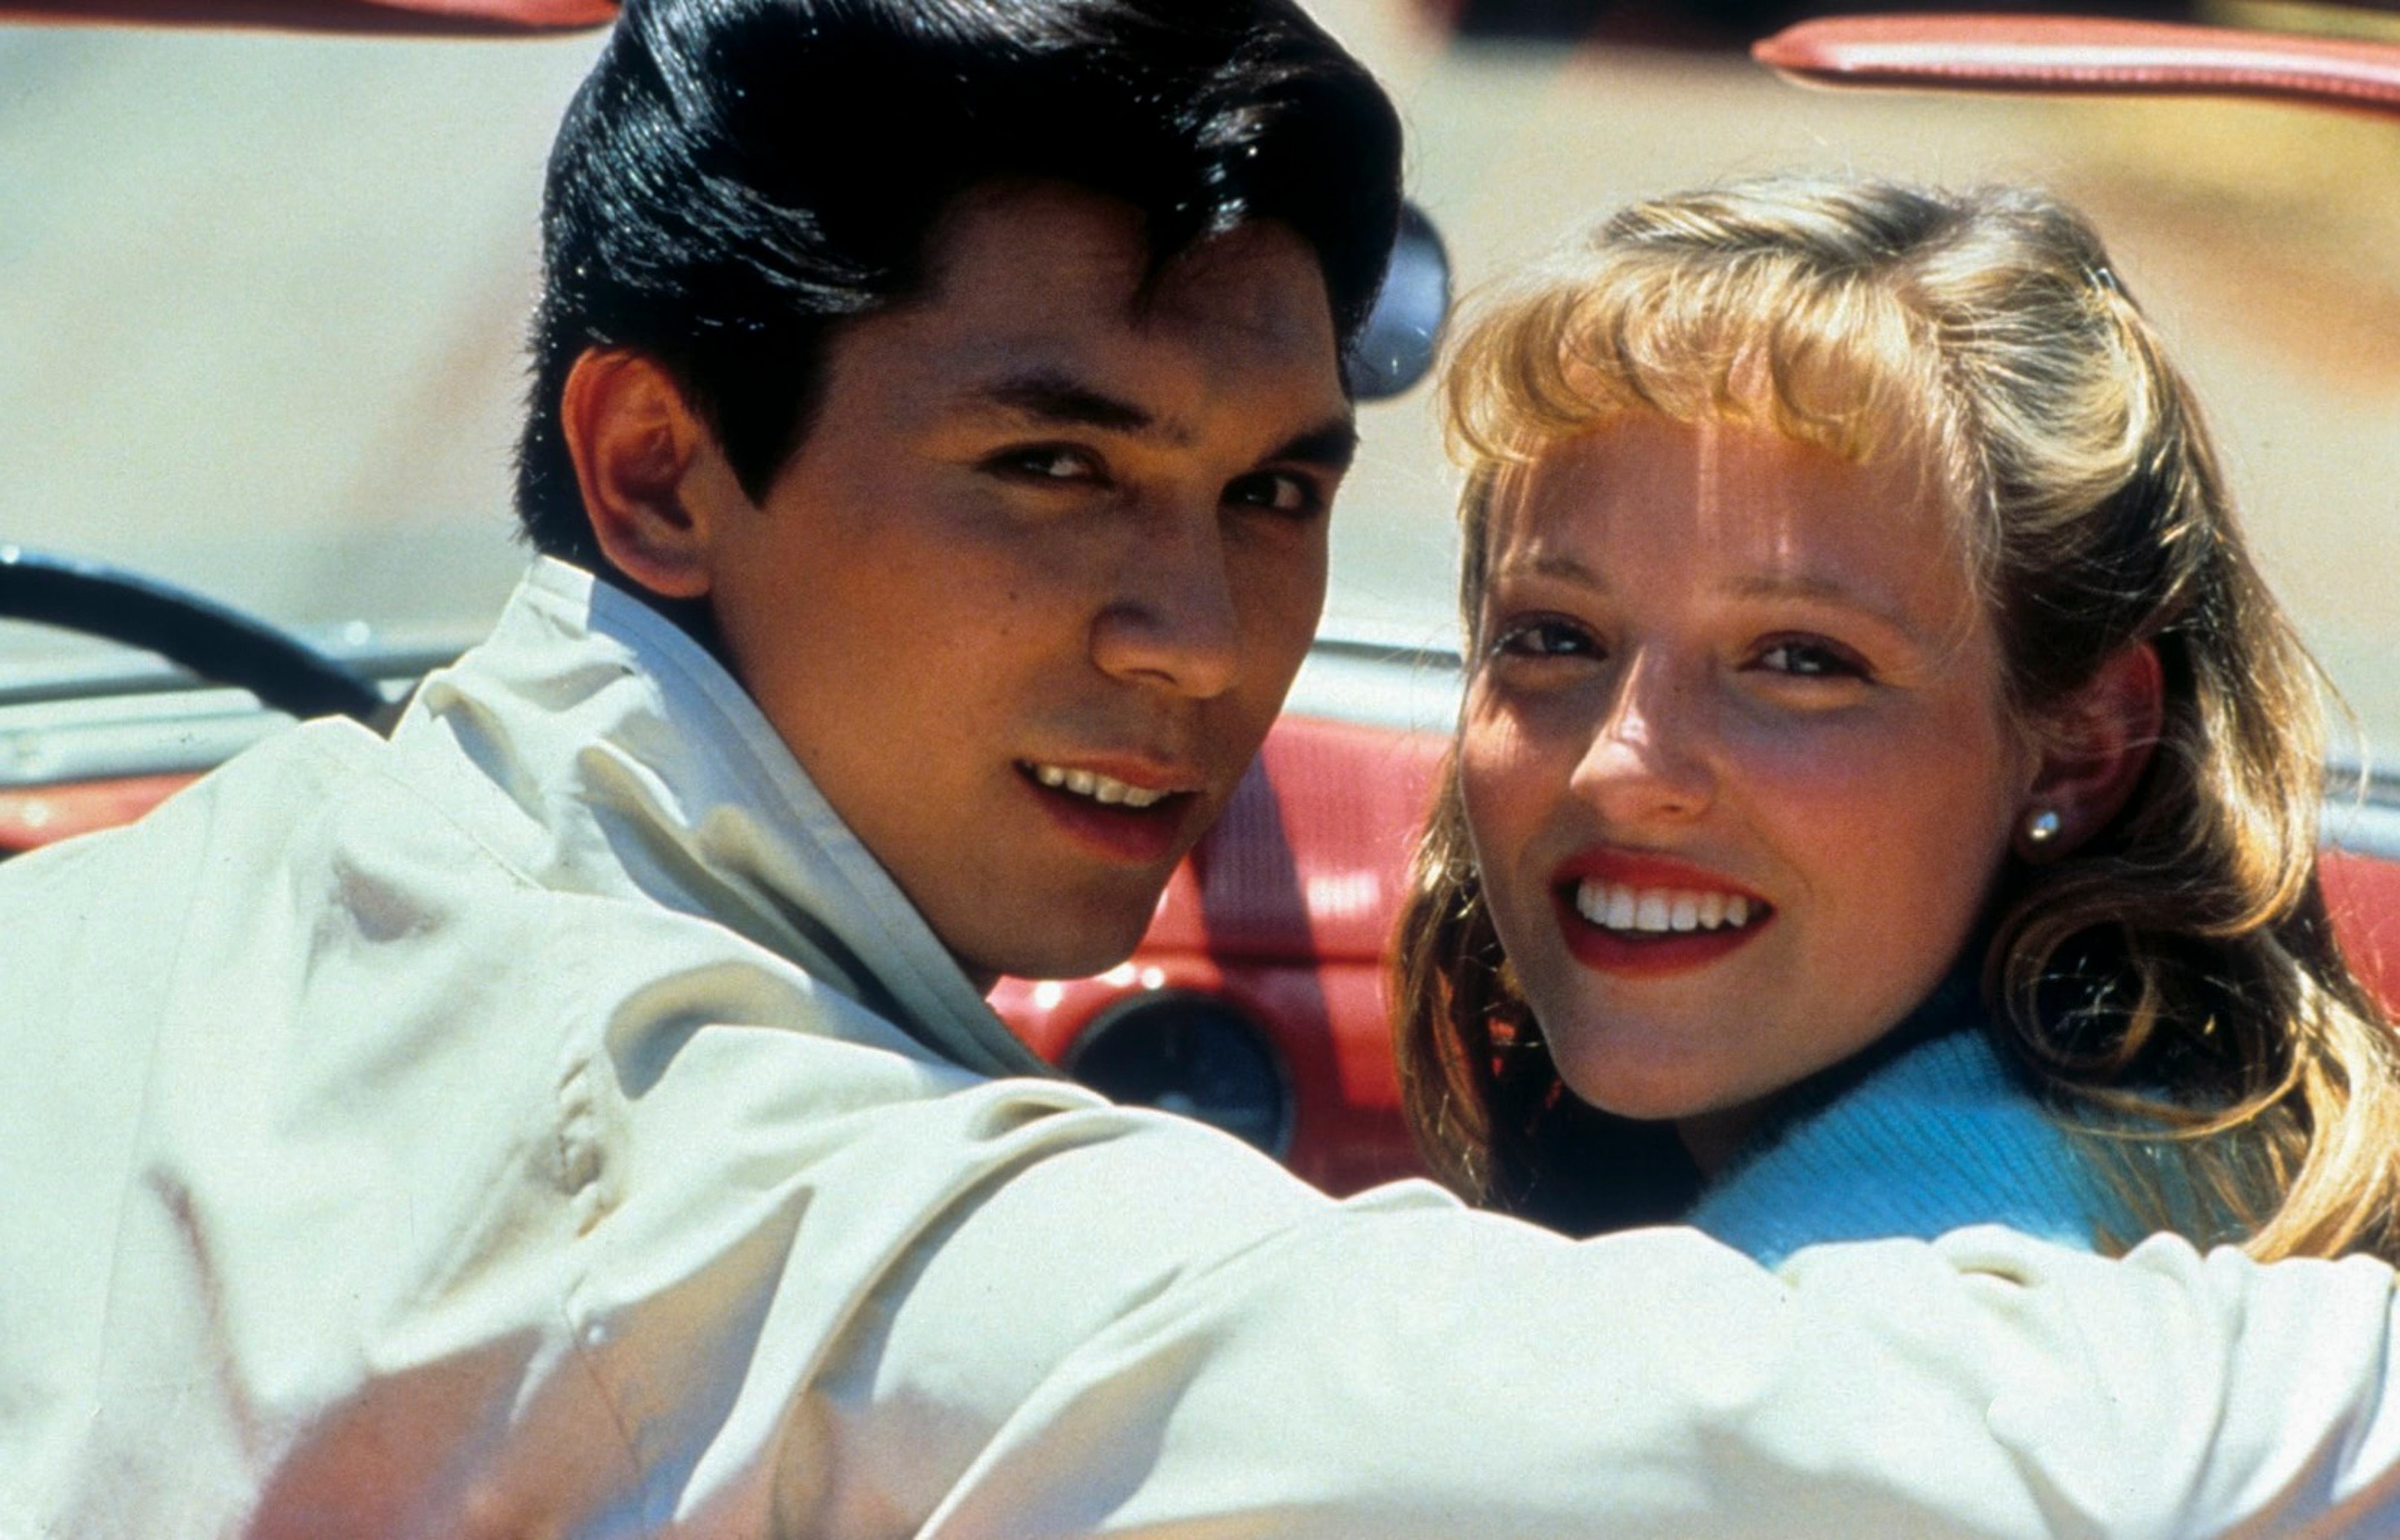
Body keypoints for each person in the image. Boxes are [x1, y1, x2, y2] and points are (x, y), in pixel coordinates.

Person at [7, 5, 2400, 1532]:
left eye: (1269, 492)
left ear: (2087, 726)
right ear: (652, 472)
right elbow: (1596, 1435)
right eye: (1052, 468)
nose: (1196, 641)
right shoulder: (706, 1173)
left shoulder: (124, 922)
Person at [1396, 175, 2400, 1269]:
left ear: (2080, 750)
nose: (1620, 765)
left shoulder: (1871, 1305)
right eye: (1552, 638)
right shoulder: (2180, 1144)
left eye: (1801, 660)